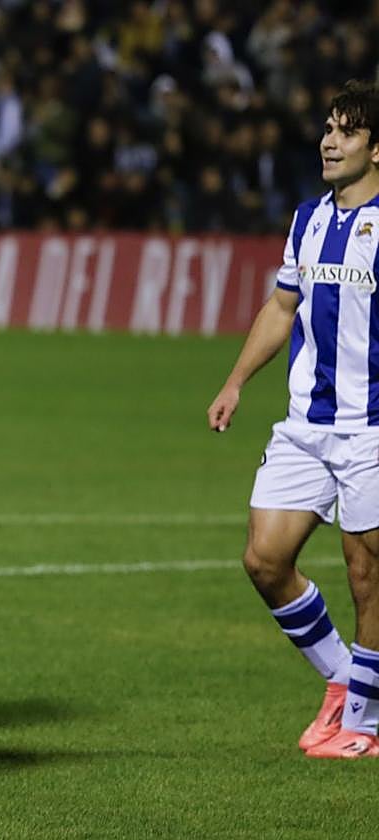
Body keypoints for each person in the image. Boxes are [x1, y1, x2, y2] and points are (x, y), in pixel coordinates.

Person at [207, 79, 379, 759]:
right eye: (327, 128)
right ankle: (347, 680)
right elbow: (283, 308)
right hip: (305, 424)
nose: (329, 141)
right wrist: (236, 381)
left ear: (377, 148)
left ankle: (363, 725)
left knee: (366, 573)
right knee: (264, 558)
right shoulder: (308, 217)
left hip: (371, 426)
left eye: (347, 131)